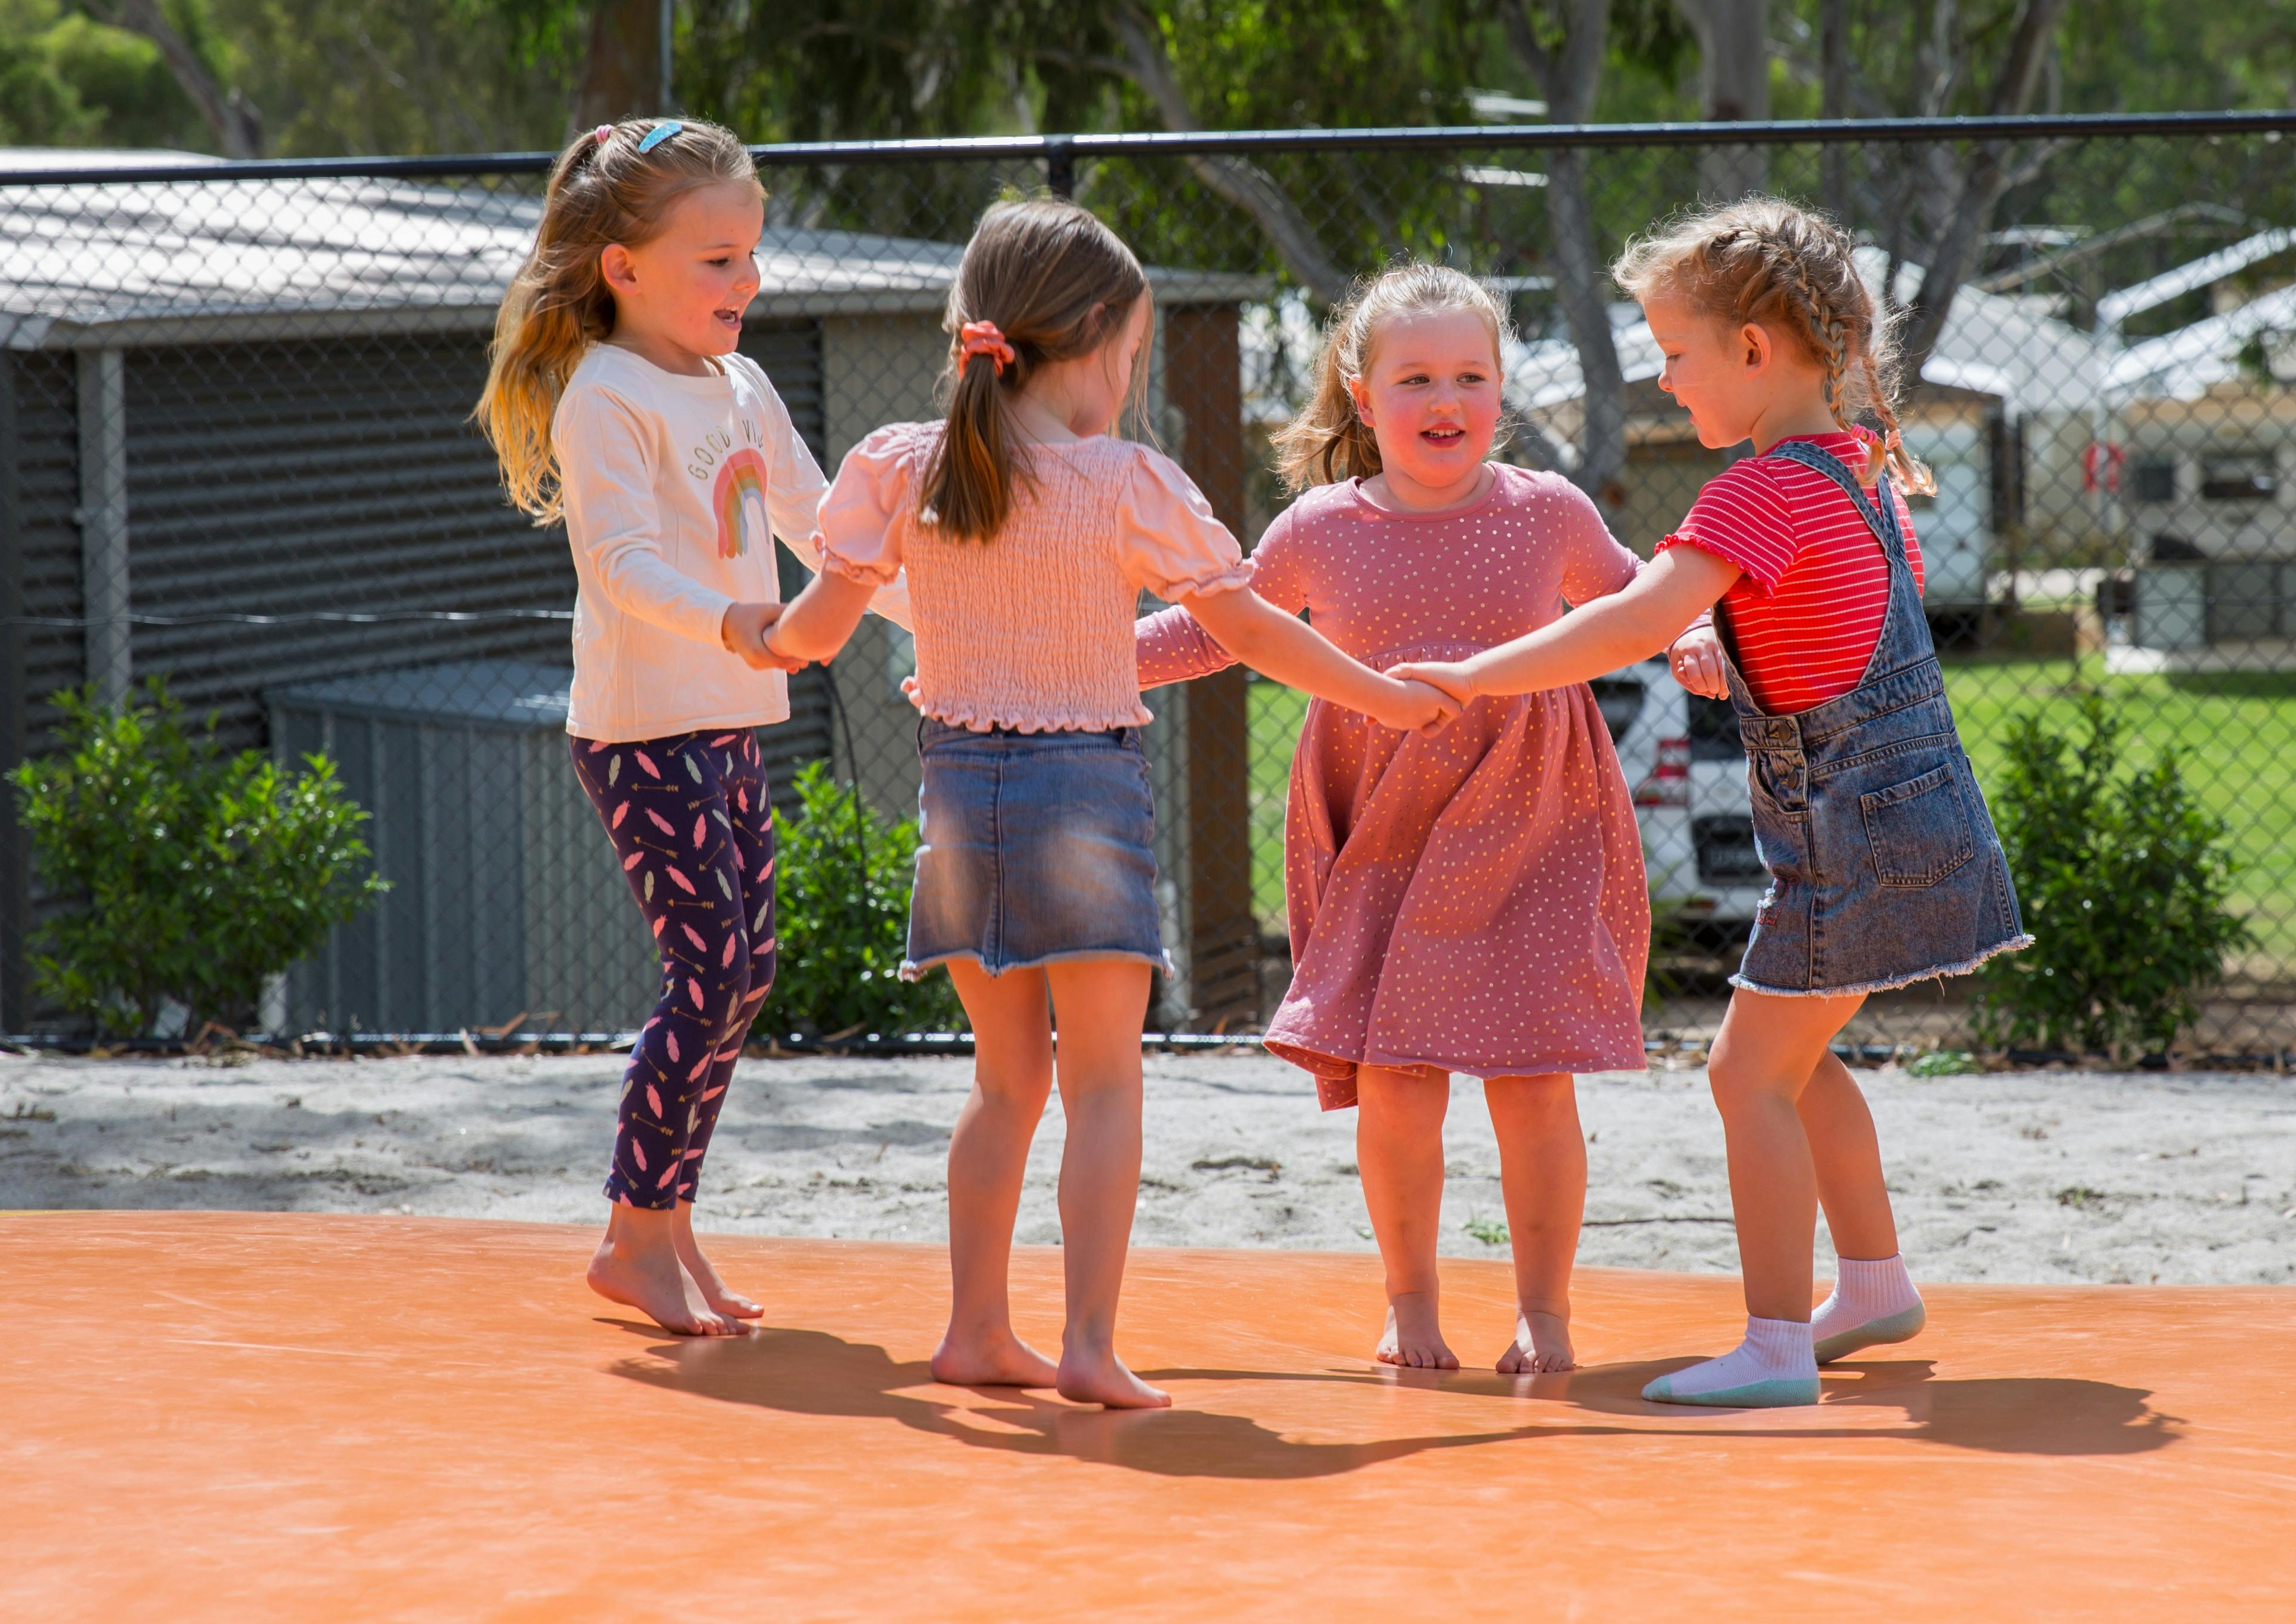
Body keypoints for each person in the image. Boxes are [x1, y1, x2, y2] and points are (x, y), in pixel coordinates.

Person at [765, 199, 1452, 1410]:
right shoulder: (1124, 479)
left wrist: (757, 633)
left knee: (1001, 1082)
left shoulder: (898, 463)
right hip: (1080, 784)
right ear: (1088, 336)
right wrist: (1377, 697)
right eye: (1130, 357)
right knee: (1102, 1082)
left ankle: (976, 1326)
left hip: (953, 789)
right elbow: (1242, 625)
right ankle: (1086, 1341)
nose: (1127, 383)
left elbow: (814, 626)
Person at [1395, 199, 2028, 1409]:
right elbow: (1823, 627)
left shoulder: (1754, 492)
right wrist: (1724, 648)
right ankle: (1875, 1281)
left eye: (1674, 354)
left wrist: (1473, 674)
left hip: (1847, 833)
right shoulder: (1853, 464)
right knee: (1792, 1057)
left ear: (1751, 350)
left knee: (1744, 1073)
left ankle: (1778, 1343)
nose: (1663, 379)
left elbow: (1631, 616)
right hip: (1901, 821)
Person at [1136, 264, 1652, 1376]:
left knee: (1532, 1079)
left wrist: (1698, 639)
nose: (1444, 398)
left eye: (1470, 374)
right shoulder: (1321, 526)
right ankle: (1410, 1298)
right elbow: (1221, 630)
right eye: (1414, 376)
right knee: (1401, 1081)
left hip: (1532, 812)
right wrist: (1077, 661)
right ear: (1362, 398)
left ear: (1502, 392)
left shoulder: (1548, 511)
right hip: (1383, 821)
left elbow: (1635, 600)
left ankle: (1546, 1313)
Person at [474, 114, 855, 1341]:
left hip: (726, 716)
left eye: (749, 255)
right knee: (710, 967)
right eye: (716, 261)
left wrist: (936, 610)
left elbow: (821, 522)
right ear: (621, 269)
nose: (746, 282)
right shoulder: (607, 394)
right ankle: (634, 1233)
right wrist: (744, 620)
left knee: (748, 968)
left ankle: (664, 1225)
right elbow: (625, 564)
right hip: (644, 730)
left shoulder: (738, 382)